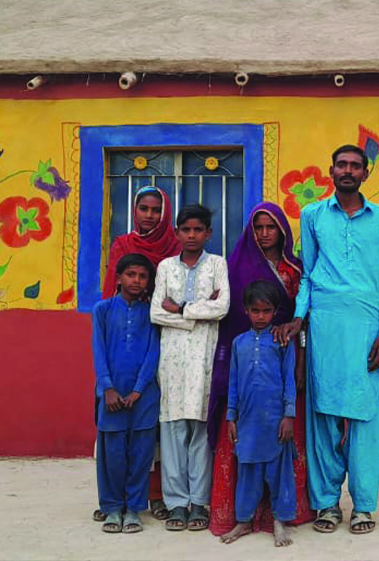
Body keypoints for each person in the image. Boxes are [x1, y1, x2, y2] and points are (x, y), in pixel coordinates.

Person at [277, 144, 379, 535]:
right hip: (324, 327)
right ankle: (326, 503)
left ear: (365, 173)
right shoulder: (312, 215)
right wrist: (298, 317)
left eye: (355, 166)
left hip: (365, 330)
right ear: (331, 171)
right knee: (323, 413)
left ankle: (363, 505)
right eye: (341, 165)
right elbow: (309, 275)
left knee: (364, 416)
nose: (347, 170)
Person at [208, 203, 313, 537]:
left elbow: (304, 315)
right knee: (246, 451)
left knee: (282, 447)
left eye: (271, 227)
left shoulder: (295, 269)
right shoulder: (235, 265)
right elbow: (226, 309)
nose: (265, 234)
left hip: (282, 357)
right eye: (259, 227)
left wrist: (298, 357)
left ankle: (280, 516)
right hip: (246, 370)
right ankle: (241, 517)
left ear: (282, 230)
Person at [98, 185, 180, 522]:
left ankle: (153, 495)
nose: (149, 215)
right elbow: (110, 286)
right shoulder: (123, 245)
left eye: (155, 210)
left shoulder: (175, 246)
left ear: (165, 212)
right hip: (123, 338)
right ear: (134, 210)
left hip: (163, 335)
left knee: (153, 426)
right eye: (143, 208)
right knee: (116, 434)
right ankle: (114, 500)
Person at [150, 204, 230, 532]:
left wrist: (181, 308)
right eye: (186, 230)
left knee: (199, 430)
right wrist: (198, 313)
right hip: (171, 360)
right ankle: (175, 502)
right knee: (172, 431)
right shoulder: (166, 267)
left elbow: (222, 307)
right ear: (177, 233)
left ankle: (199, 500)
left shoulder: (217, 264)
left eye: (198, 230)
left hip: (204, 360)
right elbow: (156, 312)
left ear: (208, 233)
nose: (192, 235)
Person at [219, 280, 299, 547]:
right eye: (256, 311)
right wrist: (232, 416)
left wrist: (289, 415)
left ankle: (280, 521)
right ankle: (244, 520)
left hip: (276, 420)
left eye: (266, 311)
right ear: (246, 311)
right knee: (248, 472)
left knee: (279, 472)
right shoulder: (238, 344)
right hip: (248, 421)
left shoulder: (281, 341)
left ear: (275, 311)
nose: (261, 316)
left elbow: (289, 379)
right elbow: (233, 382)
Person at [91, 254, 161, 534]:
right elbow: (99, 351)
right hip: (111, 396)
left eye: (143, 276)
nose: (137, 281)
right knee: (112, 454)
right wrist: (107, 387)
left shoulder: (151, 313)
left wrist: (138, 389)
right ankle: (111, 508)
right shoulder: (103, 310)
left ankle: (133, 508)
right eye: (131, 274)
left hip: (143, 396)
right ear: (118, 277)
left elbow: (153, 352)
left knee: (141, 453)